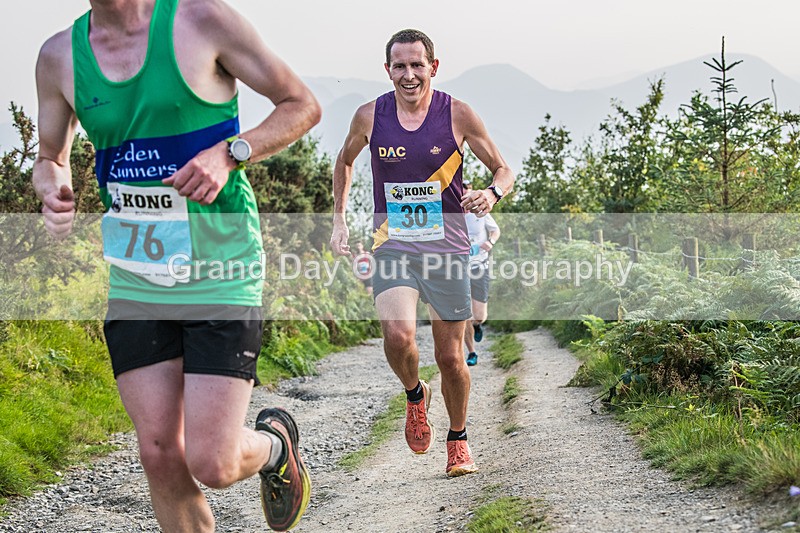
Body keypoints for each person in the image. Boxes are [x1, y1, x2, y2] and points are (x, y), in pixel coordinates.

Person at [33, 1, 320, 531]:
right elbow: (50, 155)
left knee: (214, 463)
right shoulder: (59, 56)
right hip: (137, 275)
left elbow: (301, 105)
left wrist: (229, 153)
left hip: (222, 267)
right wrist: (53, 186)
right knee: (160, 453)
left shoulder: (201, 20)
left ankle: (277, 447)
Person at [330, 29, 514, 477]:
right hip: (392, 245)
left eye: (417, 65)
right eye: (400, 66)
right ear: (387, 70)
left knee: (450, 358)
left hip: (447, 249)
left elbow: (503, 169)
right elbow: (345, 161)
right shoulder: (370, 116)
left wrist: (491, 194)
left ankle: (458, 440)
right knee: (398, 336)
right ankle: (415, 395)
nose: (409, 75)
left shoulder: (457, 113)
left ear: (433, 66)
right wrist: (339, 218)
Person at [462, 180, 501, 366]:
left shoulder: (480, 213)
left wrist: (490, 242)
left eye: (467, 193)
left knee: (478, 316)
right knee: (465, 315)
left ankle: (477, 325)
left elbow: (495, 231)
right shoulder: (451, 215)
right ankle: (472, 352)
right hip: (459, 269)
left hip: (480, 266)